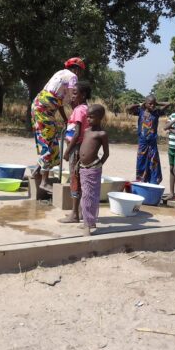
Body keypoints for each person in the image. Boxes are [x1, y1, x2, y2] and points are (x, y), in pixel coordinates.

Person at [31, 57, 86, 191]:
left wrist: (66, 119)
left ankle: (37, 171)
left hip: (39, 107)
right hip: (43, 110)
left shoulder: (60, 73)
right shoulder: (73, 77)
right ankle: (44, 181)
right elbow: (75, 97)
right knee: (50, 144)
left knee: (50, 142)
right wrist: (81, 112)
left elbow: (60, 102)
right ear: (78, 69)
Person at [59, 81, 91, 224]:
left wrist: (67, 151)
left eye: (75, 94)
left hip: (76, 148)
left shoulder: (79, 110)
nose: (72, 97)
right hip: (82, 147)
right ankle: (79, 211)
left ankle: (74, 215)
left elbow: (77, 133)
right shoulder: (85, 108)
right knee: (79, 179)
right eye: (72, 94)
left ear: (83, 95)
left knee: (75, 180)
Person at [79, 104, 109, 236]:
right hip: (82, 168)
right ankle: (89, 221)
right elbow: (83, 149)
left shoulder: (101, 134)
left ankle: (87, 224)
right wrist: (78, 164)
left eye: (92, 117)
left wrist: (98, 165)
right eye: (87, 117)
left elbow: (106, 154)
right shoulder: (86, 131)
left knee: (90, 196)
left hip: (93, 168)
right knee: (85, 194)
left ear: (100, 118)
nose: (89, 119)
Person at [127, 95, 170, 184]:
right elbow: (128, 108)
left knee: (154, 163)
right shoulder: (140, 111)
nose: (152, 106)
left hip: (152, 143)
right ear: (145, 104)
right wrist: (140, 104)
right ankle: (141, 181)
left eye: (154, 104)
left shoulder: (157, 113)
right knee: (141, 162)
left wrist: (157, 103)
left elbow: (168, 104)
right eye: (150, 104)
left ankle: (153, 182)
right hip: (142, 143)